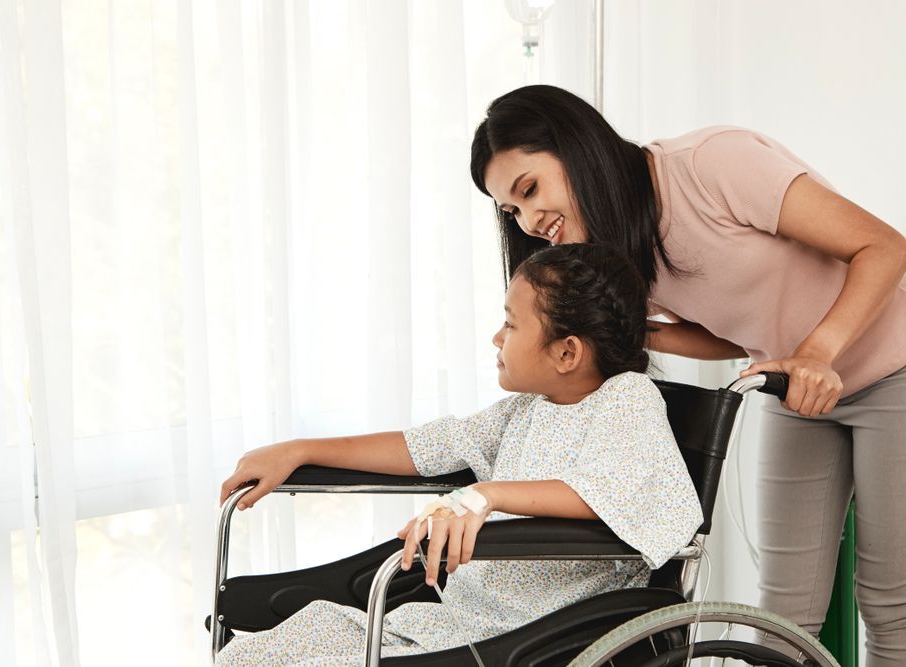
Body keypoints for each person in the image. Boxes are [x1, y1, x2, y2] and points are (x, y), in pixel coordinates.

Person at [469, 84, 906, 666]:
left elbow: (882, 246)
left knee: (889, 601)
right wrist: (641, 332)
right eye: (512, 211)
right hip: (792, 389)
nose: (529, 220)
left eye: (529, 190)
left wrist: (820, 352)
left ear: (576, 148)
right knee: (782, 608)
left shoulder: (711, 165)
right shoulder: (622, 242)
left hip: (894, 370)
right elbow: (740, 319)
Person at [215, 244, 703, 666]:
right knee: (252, 654)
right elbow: (424, 447)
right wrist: (298, 450)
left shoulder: (628, 398)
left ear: (567, 353)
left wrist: (484, 496)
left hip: (530, 637)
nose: (496, 337)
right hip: (452, 621)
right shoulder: (529, 410)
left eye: (510, 324)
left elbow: (618, 489)